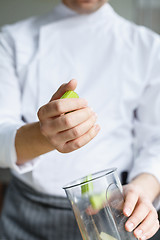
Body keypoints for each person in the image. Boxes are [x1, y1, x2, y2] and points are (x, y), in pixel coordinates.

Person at [0, 0, 160, 239]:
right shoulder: (11, 40)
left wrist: (142, 190)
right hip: (28, 216)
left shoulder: (148, 46)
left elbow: (156, 141)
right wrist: (44, 136)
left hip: (115, 211)